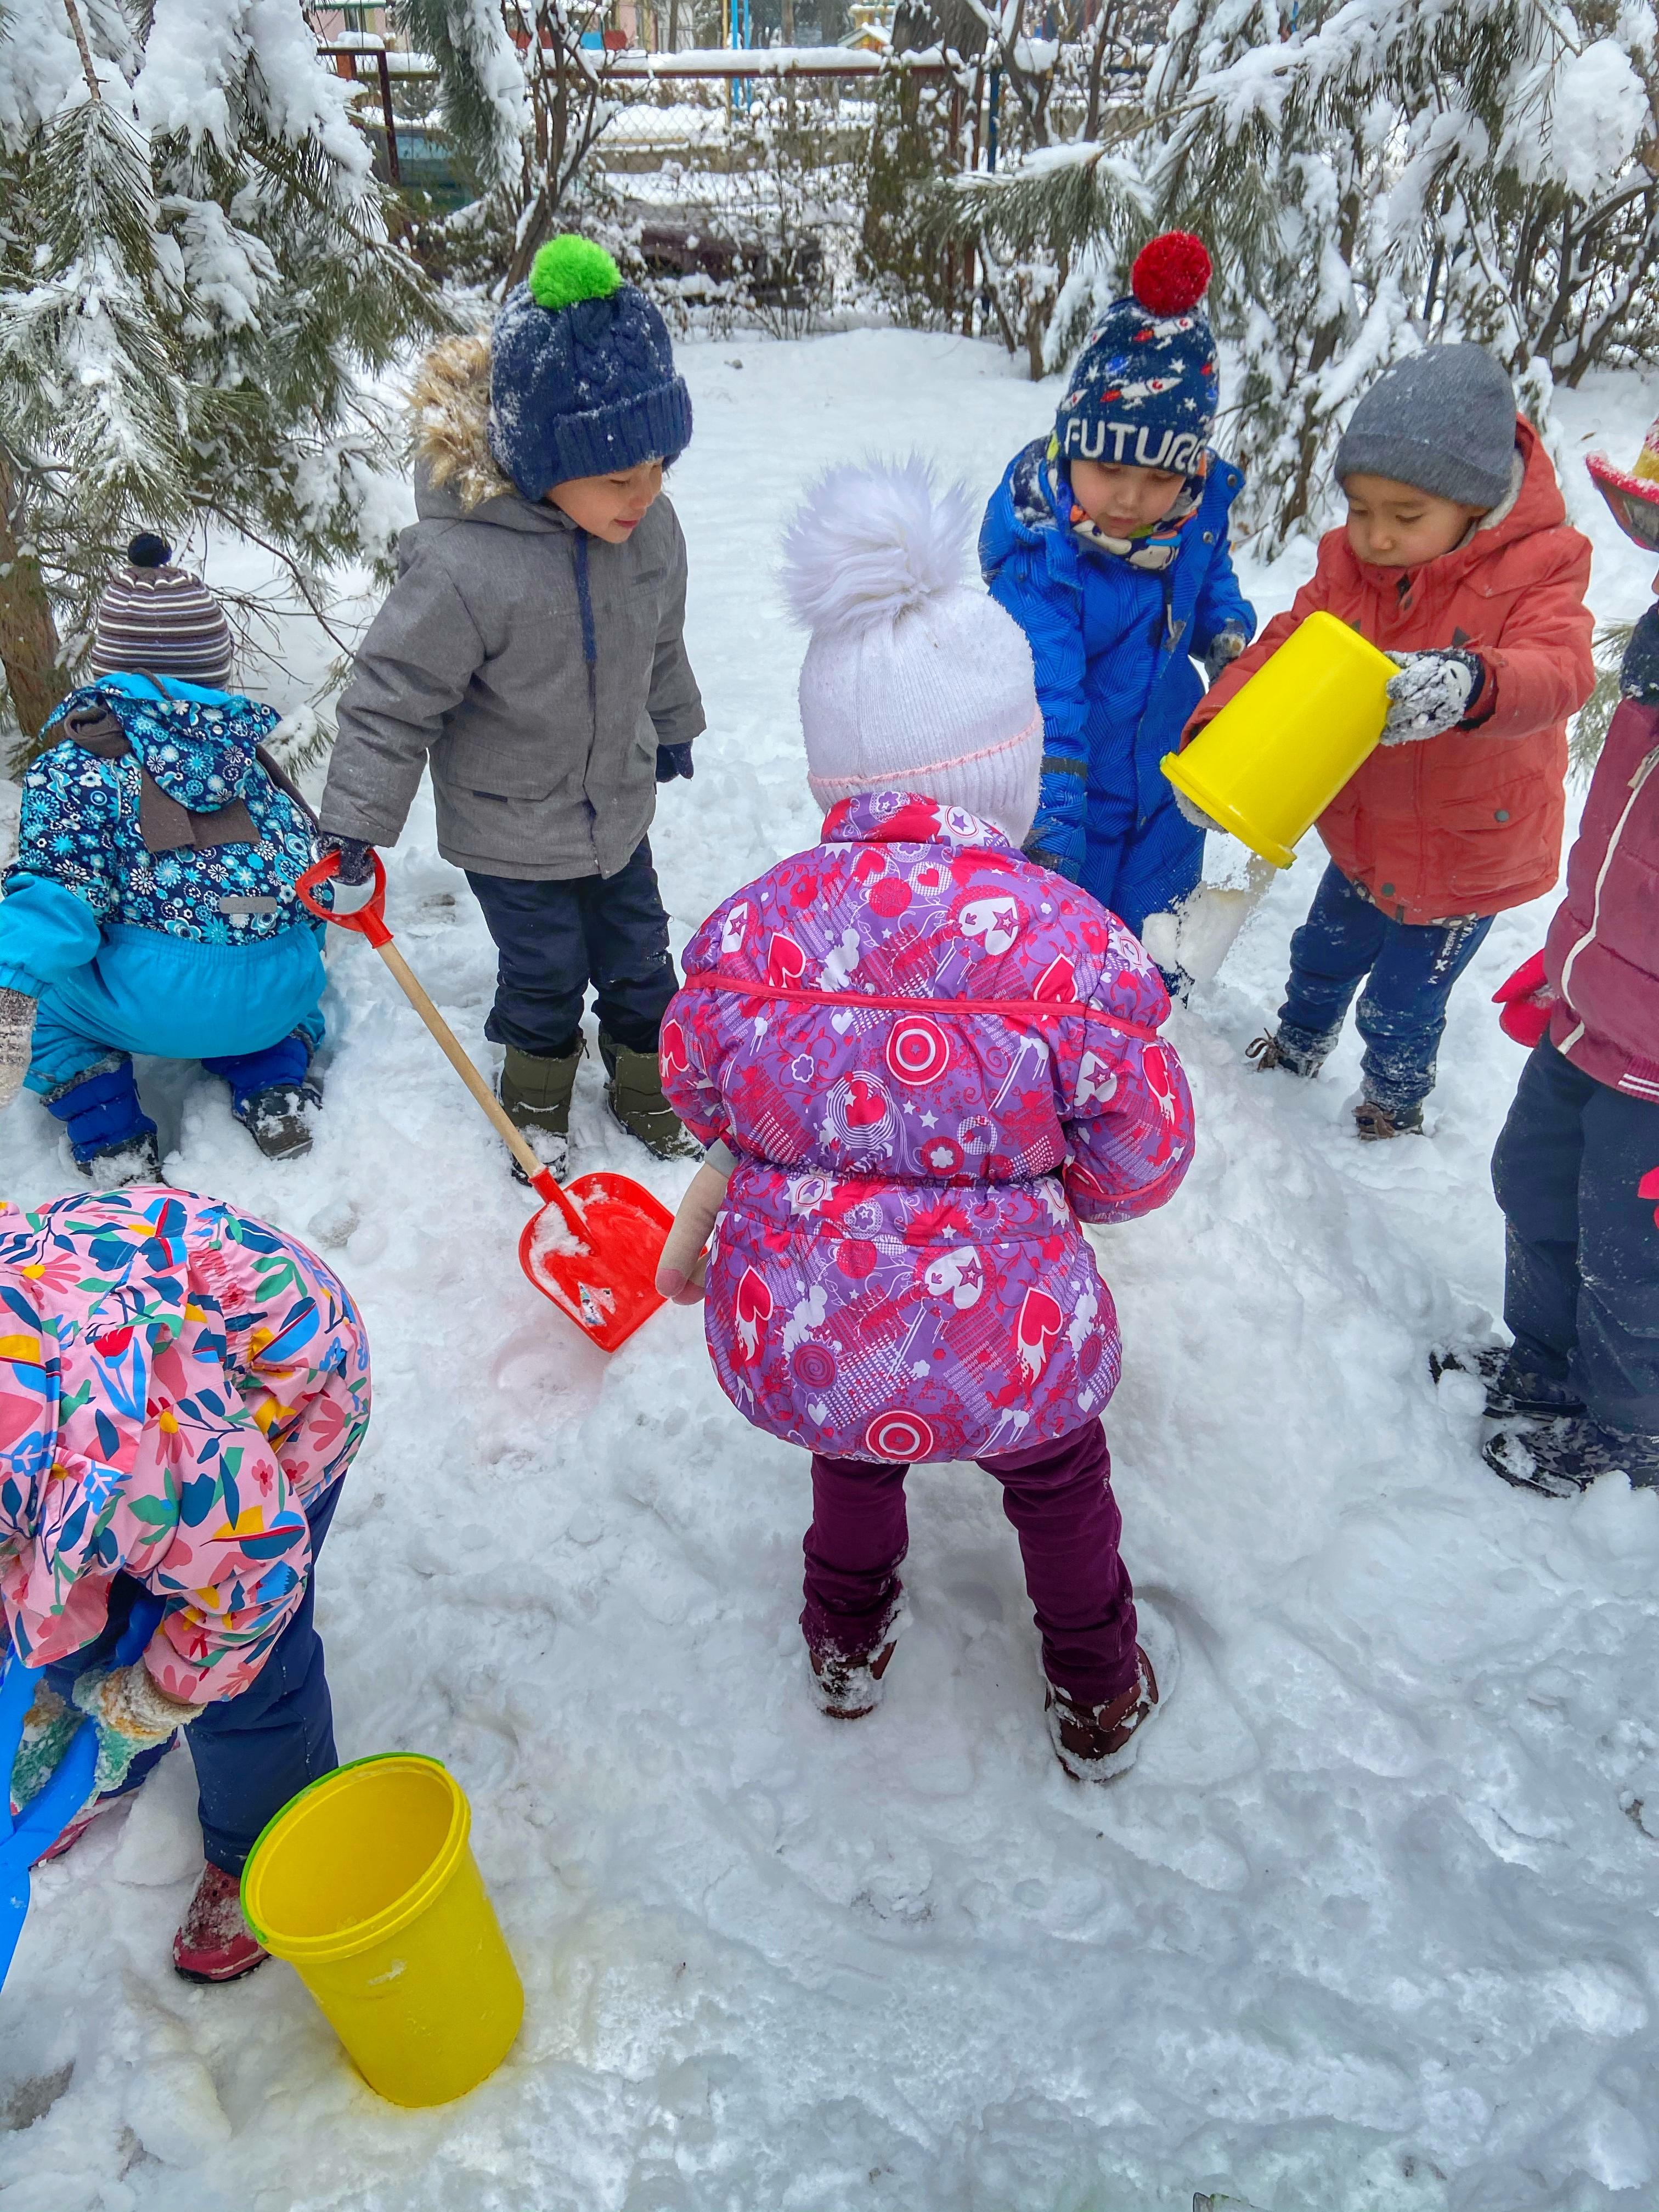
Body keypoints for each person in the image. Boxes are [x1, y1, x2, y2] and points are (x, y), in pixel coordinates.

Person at [654, 460, 1196, 1783]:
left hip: (810, 1333)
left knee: (855, 1452)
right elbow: (1141, 1151)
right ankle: (1096, 1682)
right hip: (1011, 1340)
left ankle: (844, 1639)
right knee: (1058, 1482)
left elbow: (697, 1088)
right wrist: (1075, 1189)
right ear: (1006, 769)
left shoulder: (749, 929)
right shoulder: (1069, 946)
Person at [314, 234, 704, 1176]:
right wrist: (356, 826)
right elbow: (391, 699)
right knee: (542, 975)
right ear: (542, 461)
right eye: (619, 476)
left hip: (614, 802)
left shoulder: (646, 531)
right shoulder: (461, 566)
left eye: (659, 465)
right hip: (510, 831)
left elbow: (660, 638)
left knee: (643, 959)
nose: (645, 492)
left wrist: (674, 724)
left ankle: (647, 1083)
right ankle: (533, 1099)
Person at [1190, 345, 1596, 1138]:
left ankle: (1393, 1101)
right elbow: (1285, 645)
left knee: (1403, 1001)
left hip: (1470, 850)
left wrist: (1475, 682)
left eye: (1405, 516)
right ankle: (1298, 1046)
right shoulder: (1351, 566)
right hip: (1369, 834)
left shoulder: (1544, 566)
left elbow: (1562, 670)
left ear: (1474, 504)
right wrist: (1216, 735)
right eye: (1360, 509)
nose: (1374, 537)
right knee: (1320, 954)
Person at [1, 1186, 371, 1980]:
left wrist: (164, 1692)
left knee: (245, 1678)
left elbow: (256, 1575)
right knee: (81, 1613)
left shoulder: (163, 1482)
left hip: (284, 1393)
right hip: (113, 1354)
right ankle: (96, 1755)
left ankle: (264, 1835)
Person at [1435, 414, 1659, 1494]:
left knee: (1635, 1256)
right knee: (1531, 1179)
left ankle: (1629, 1432)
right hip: (1591, 1013)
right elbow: (1624, 845)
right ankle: (1545, 1363)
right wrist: (1580, 955)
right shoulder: (1655, 664)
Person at [0, 537, 330, 1178]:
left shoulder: (77, 769)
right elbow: (305, 875)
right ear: (214, 669)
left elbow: (57, 904)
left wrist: (10, 993)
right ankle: (271, 1076)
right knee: (283, 968)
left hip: (158, 1000)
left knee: (50, 1010)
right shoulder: (253, 759)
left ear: (108, 671)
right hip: (277, 990)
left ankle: (112, 1139)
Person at [978, 231, 1255, 951]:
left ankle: (1152, 1029)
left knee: (1155, 944)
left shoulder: (1192, 517)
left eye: (1159, 479)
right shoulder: (1045, 556)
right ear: (1071, 445)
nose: (1131, 500)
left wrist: (1226, 631)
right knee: (1072, 947)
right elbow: (1049, 707)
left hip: (1166, 778)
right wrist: (1051, 843)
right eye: (1109, 470)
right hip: (1074, 788)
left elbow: (1208, 576)